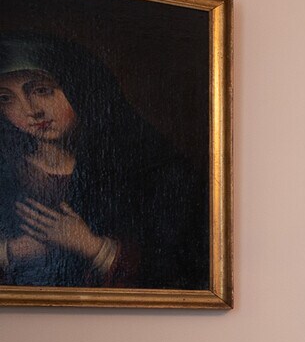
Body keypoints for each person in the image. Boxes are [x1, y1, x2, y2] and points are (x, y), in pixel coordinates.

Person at [0, 32, 208, 290]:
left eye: (42, 90)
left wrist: (91, 245)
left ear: (80, 88)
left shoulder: (154, 170)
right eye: (5, 98)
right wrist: (12, 251)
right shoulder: (6, 172)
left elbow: (187, 271)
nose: (31, 110)